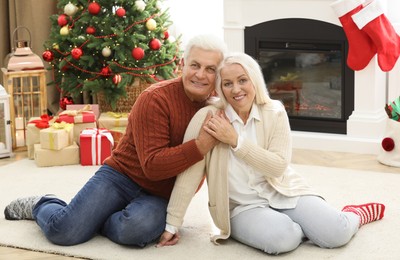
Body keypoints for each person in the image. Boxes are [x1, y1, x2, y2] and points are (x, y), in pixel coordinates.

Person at [3, 34, 228, 247]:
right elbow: (152, 166)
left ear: (219, 75)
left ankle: (98, 219)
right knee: (65, 231)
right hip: (122, 176)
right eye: (195, 65)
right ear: (182, 64)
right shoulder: (156, 99)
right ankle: (41, 204)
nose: (200, 75)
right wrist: (200, 147)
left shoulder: (218, 111)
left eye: (210, 69)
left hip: (161, 193)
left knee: (136, 229)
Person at [157, 52, 386, 254]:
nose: (236, 89)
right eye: (227, 83)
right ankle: (291, 226)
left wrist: (236, 141)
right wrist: (172, 224)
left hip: (283, 191)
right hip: (242, 208)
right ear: (220, 88)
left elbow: (278, 166)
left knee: (336, 233)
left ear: (254, 80)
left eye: (242, 80)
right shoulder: (208, 119)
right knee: (284, 239)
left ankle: (354, 214)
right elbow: (189, 174)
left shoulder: (274, 111)